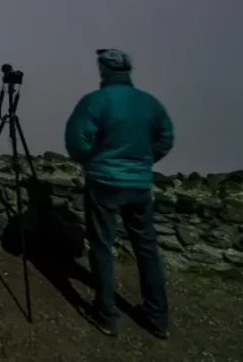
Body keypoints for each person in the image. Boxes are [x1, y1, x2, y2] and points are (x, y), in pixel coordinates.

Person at [64, 48, 174, 339]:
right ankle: (158, 318)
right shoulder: (150, 103)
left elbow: (76, 140)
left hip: (104, 182)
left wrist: (92, 161)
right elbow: (165, 138)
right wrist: (144, 161)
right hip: (139, 185)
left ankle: (106, 314)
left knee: (102, 246)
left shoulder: (95, 102)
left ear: (103, 70)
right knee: (147, 248)